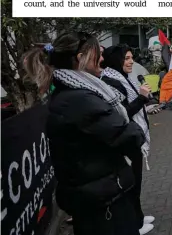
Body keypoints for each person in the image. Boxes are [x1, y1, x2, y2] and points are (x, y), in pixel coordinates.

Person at [29, 33, 146, 235]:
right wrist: (135, 128)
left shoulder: (73, 93)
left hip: (97, 196)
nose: (102, 59)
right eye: (97, 54)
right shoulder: (80, 99)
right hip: (102, 204)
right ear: (80, 58)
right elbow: (128, 137)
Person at [99, 45, 154, 234]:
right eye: (127, 58)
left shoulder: (121, 78)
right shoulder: (112, 82)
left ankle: (138, 216)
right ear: (116, 60)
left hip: (132, 137)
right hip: (125, 141)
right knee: (132, 182)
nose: (131, 62)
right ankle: (135, 225)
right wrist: (142, 98)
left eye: (132, 58)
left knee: (136, 181)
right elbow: (122, 115)